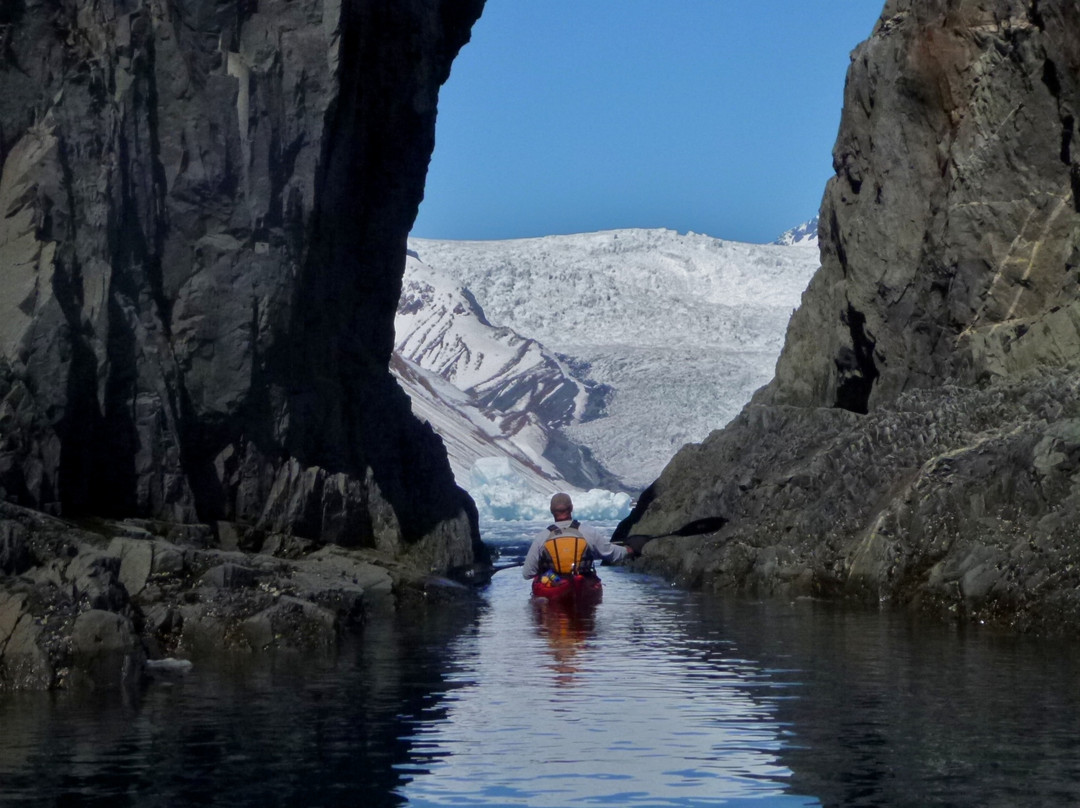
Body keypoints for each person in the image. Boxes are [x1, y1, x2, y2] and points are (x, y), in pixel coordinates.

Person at [521, 492, 634, 579]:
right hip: (582, 586)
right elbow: (611, 553)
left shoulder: (542, 537)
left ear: (551, 510)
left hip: (553, 587)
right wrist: (628, 550)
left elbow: (527, 573)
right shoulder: (588, 532)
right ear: (571, 508)